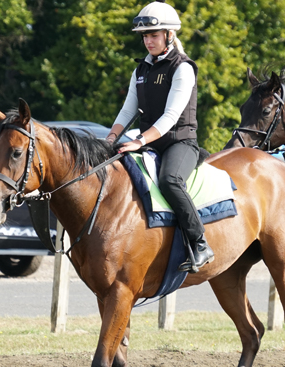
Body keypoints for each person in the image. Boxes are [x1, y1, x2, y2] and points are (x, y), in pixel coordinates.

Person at [106, 0, 214, 272]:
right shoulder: (140, 70)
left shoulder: (183, 68)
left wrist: (139, 141)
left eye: (154, 35)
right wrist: (109, 140)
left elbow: (170, 117)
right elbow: (127, 109)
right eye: (145, 36)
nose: (148, 41)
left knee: (169, 180)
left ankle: (199, 242)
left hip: (180, 143)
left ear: (169, 35)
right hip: (150, 143)